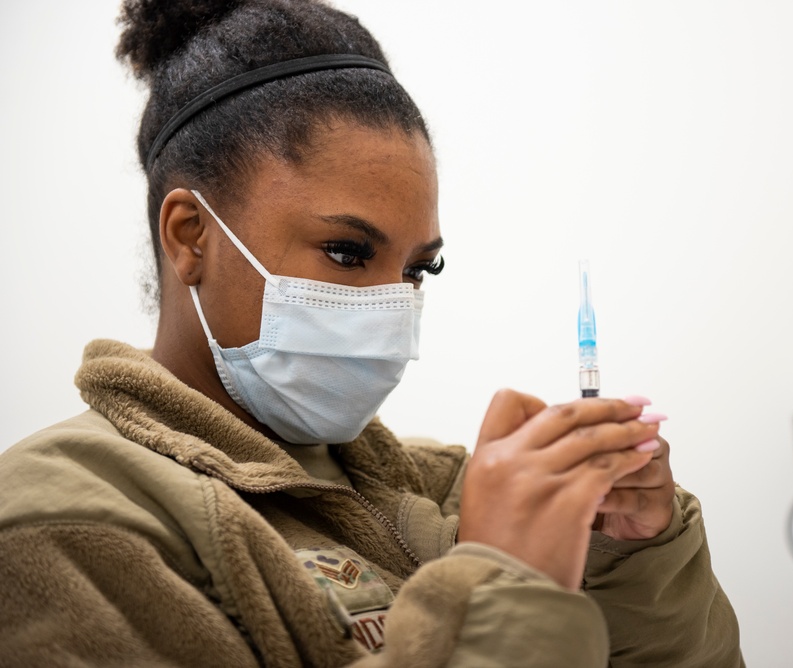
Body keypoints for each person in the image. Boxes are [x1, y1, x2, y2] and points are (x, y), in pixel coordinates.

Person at [0, 1, 743, 665]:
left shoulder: (443, 488)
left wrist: (630, 555)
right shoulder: (67, 520)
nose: (391, 305)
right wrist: (495, 584)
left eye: (419, 270)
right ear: (191, 235)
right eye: (349, 253)